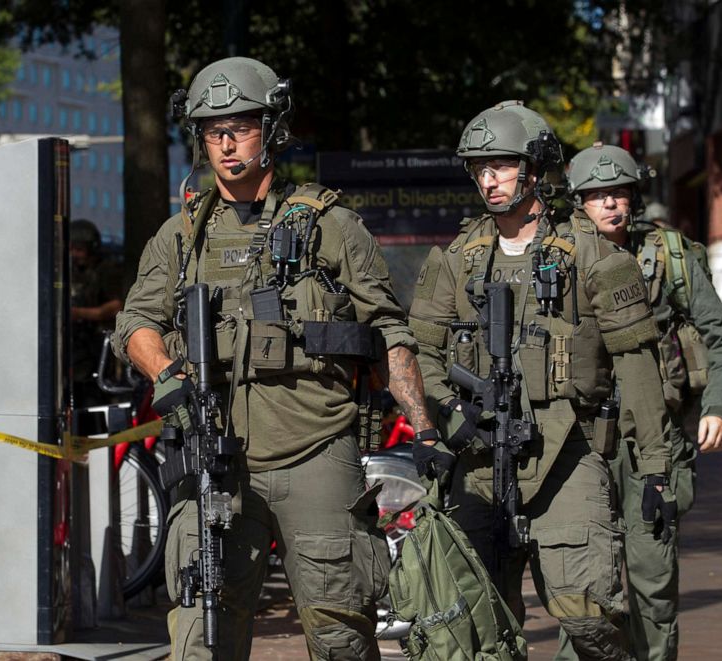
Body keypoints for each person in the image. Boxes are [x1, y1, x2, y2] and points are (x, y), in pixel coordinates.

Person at [112, 56, 434, 660]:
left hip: (315, 449)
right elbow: (135, 322)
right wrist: (168, 374)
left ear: (273, 129)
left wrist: (427, 427)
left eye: (241, 126)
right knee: (200, 634)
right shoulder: (180, 235)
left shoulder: (330, 226)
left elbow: (389, 329)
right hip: (215, 457)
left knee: (340, 633)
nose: (226, 143)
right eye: (212, 131)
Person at [408, 101, 673, 660]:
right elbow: (418, 352)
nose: (489, 180)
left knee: (590, 612)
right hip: (477, 458)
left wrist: (654, 469)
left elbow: (637, 365)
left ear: (534, 168)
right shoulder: (457, 260)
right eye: (480, 168)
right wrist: (438, 422)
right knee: (475, 625)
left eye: (501, 165)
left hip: (568, 451)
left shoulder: (595, 257)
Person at [560, 143, 722, 661]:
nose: (612, 206)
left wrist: (718, 406)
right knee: (579, 591)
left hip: (653, 444)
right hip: (576, 445)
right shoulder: (553, 258)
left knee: (652, 583)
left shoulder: (670, 255)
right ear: (579, 202)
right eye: (598, 197)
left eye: (620, 193)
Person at [69, 218, 124, 406]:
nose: (74, 254)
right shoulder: (68, 271)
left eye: (79, 249)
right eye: (72, 248)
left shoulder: (106, 271)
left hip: (97, 346)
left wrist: (78, 313)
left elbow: (116, 306)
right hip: (74, 348)